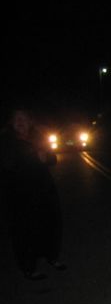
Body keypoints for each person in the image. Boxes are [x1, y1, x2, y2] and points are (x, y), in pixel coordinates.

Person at [0, 108, 64, 280]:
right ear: (11, 122)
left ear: (30, 121)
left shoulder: (38, 137)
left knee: (51, 223)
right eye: (17, 119)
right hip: (19, 193)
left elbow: (53, 159)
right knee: (24, 230)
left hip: (44, 189)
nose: (20, 122)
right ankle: (28, 267)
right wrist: (27, 156)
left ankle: (52, 256)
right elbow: (6, 165)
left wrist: (46, 157)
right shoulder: (6, 140)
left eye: (24, 118)